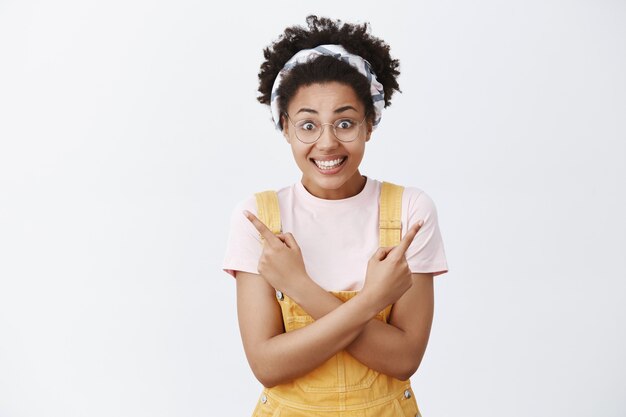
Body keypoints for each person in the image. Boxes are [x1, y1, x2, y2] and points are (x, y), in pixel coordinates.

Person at [221, 15, 449, 417]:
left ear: (370, 124)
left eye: (345, 122)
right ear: (285, 128)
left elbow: (403, 359)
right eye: (308, 125)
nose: (327, 143)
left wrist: (296, 284)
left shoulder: (410, 212)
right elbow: (267, 366)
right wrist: (373, 301)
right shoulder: (257, 217)